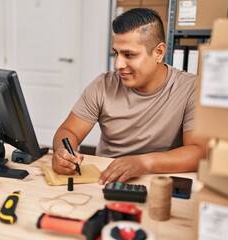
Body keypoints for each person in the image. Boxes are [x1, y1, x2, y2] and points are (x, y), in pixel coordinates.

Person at [51, 8, 208, 185]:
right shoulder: (102, 85)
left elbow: (199, 152)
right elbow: (68, 131)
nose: (118, 64)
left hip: (158, 181)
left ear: (158, 52)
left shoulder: (191, 88)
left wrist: (143, 162)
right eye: (116, 53)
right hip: (106, 179)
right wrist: (63, 153)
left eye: (129, 55)